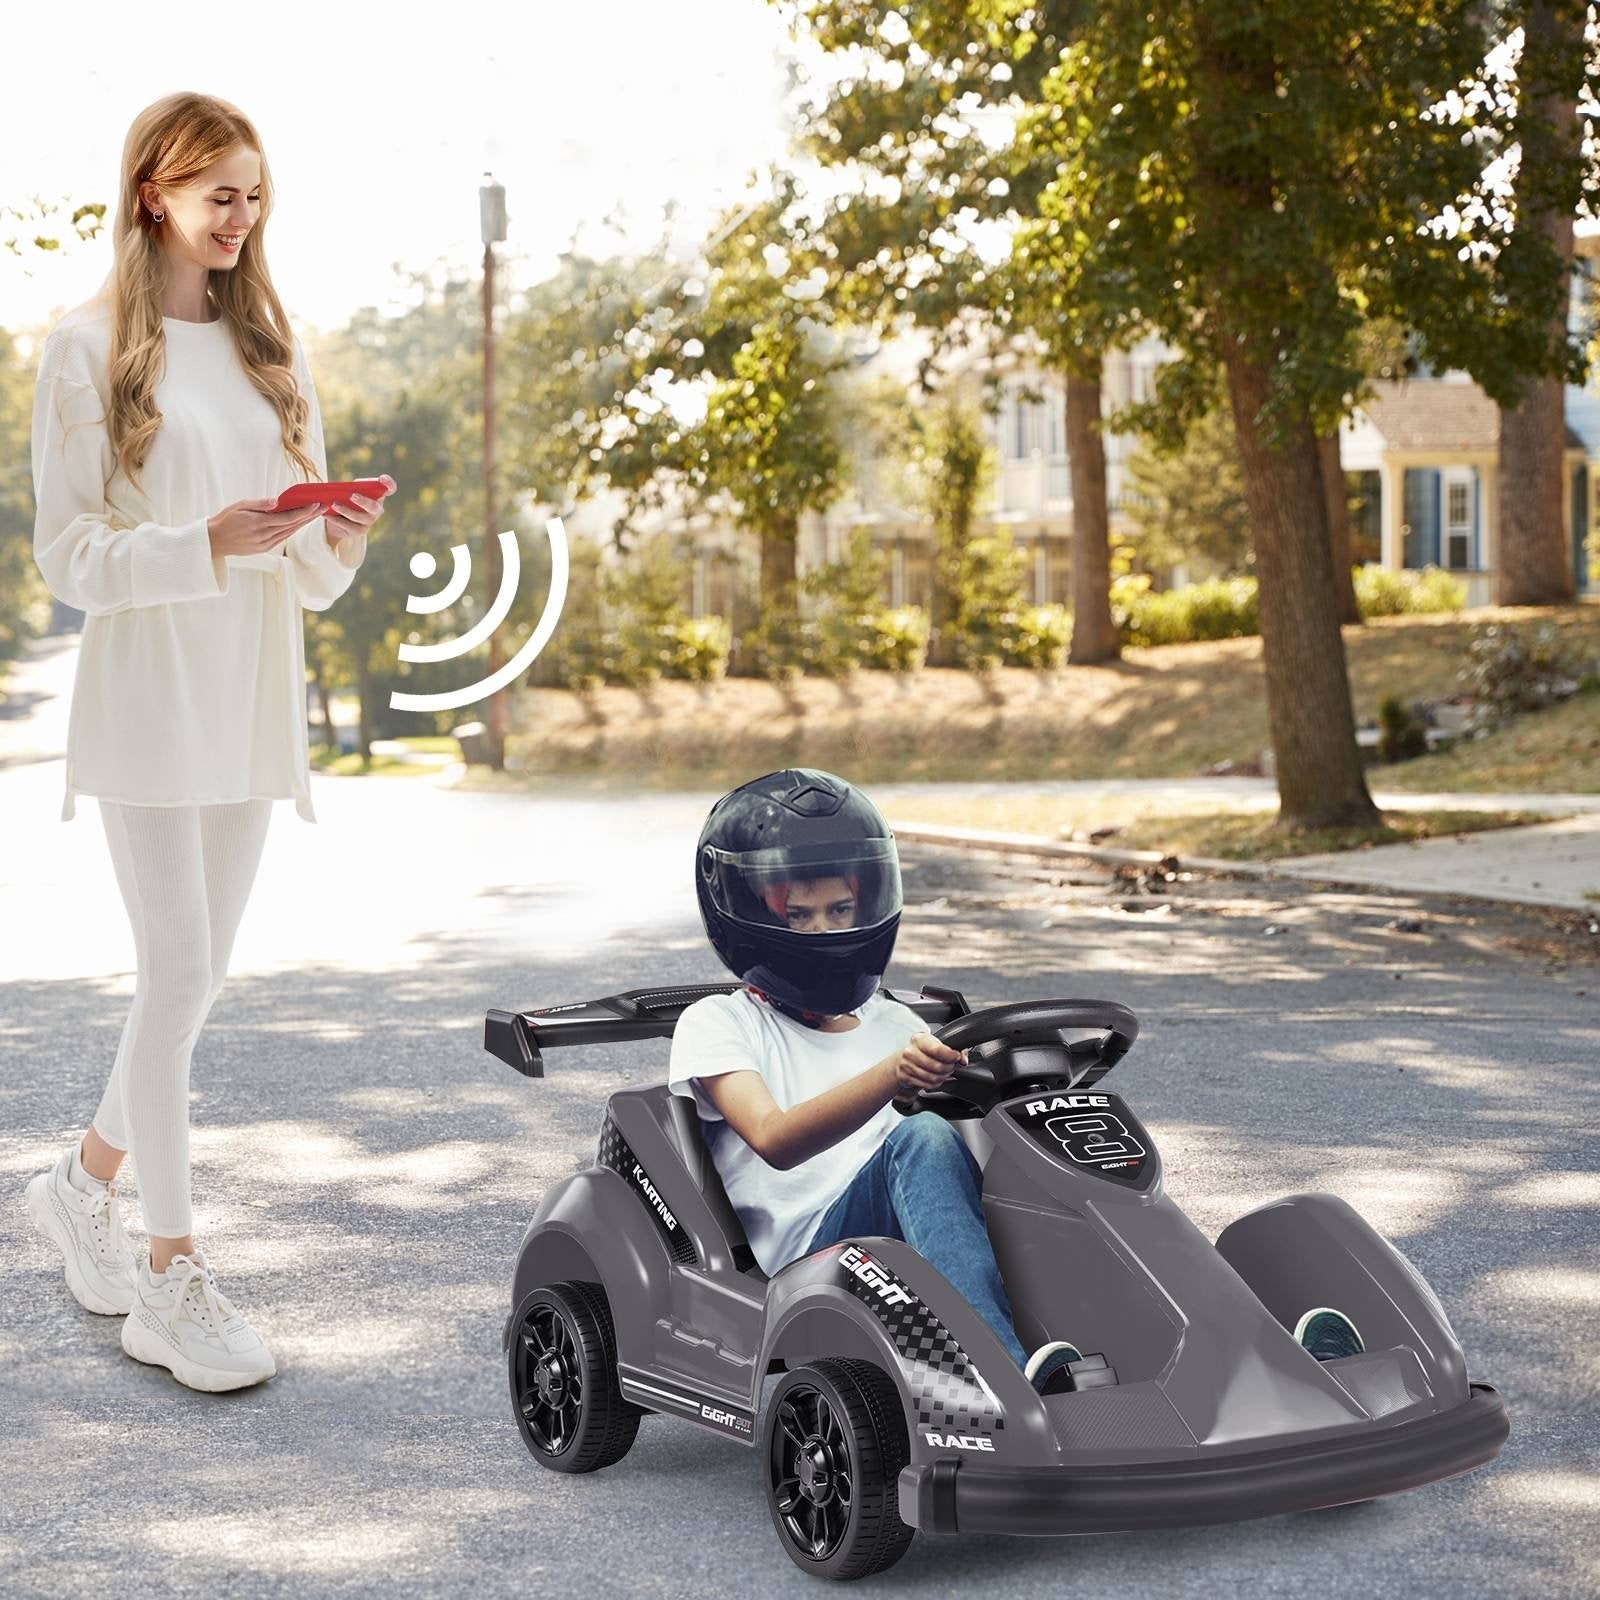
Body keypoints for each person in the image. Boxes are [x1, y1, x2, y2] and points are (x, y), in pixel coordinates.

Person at [23, 92, 394, 1393]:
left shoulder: (271, 350)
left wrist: (335, 534)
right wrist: (201, 545)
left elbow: (309, 581)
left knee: (200, 980)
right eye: (216, 193)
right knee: (176, 974)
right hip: (144, 694)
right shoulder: (79, 350)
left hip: (248, 689)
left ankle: (80, 1186)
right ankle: (168, 1275)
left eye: (253, 194)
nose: (240, 217)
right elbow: (66, 552)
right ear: (154, 195)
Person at [667, 767, 1086, 1396]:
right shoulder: (719, 1022)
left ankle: (1163, 1337)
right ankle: (1001, 1372)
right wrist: (892, 1077)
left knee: (1036, 1153)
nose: (824, 931)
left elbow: (950, 1117)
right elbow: (775, 1140)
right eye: (799, 914)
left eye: (839, 910)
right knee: (919, 1139)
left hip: (908, 1228)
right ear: (753, 916)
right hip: (810, 1255)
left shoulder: (893, 1019)